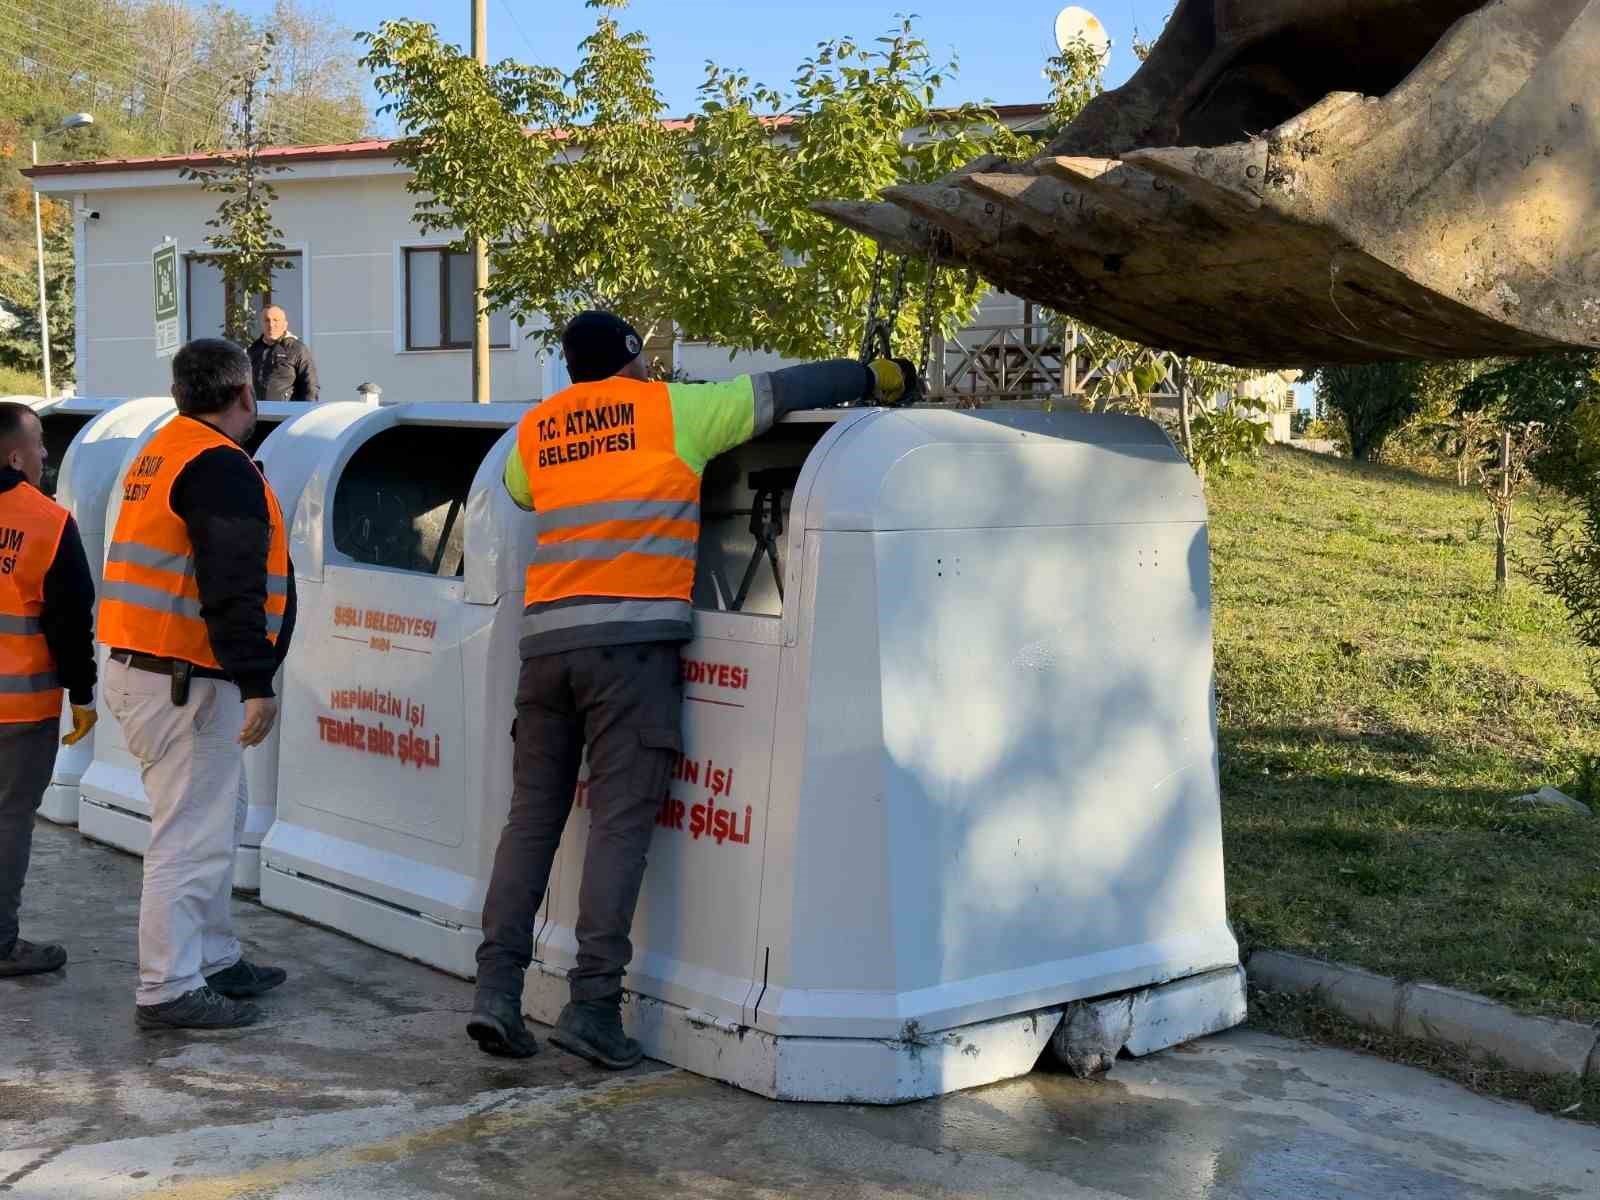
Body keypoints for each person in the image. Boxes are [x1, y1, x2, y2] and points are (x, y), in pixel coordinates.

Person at [468, 311, 916, 1066]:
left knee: (532, 821)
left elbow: (518, 493)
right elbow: (786, 389)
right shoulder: (675, 411)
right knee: (617, 827)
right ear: (635, 360)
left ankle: (495, 995)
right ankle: (592, 1009)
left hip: (546, 651)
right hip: (630, 655)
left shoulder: (538, 430)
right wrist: (877, 377)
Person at [100, 339, 297, 1030]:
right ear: (245, 394)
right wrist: (256, 680)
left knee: (217, 818)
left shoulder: (163, 447)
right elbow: (232, 583)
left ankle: (214, 956)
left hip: (150, 668)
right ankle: (169, 986)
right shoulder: (218, 465)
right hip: (188, 679)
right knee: (190, 835)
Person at [0, 403, 96, 979]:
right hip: (20, 710)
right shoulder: (47, 522)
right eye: (38, 445)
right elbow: (68, 620)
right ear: (16, 456)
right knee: (9, 820)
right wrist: (83, 694)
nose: (44, 455)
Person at [248, 305, 318, 402]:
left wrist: (308, 413)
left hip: (286, 413)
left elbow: (310, 386)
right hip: (259, 413)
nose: (271, 324)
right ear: (261, 324)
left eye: (276, 320)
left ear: (285, 324)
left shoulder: (297, 349)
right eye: (267, 320)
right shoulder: (252, 350)